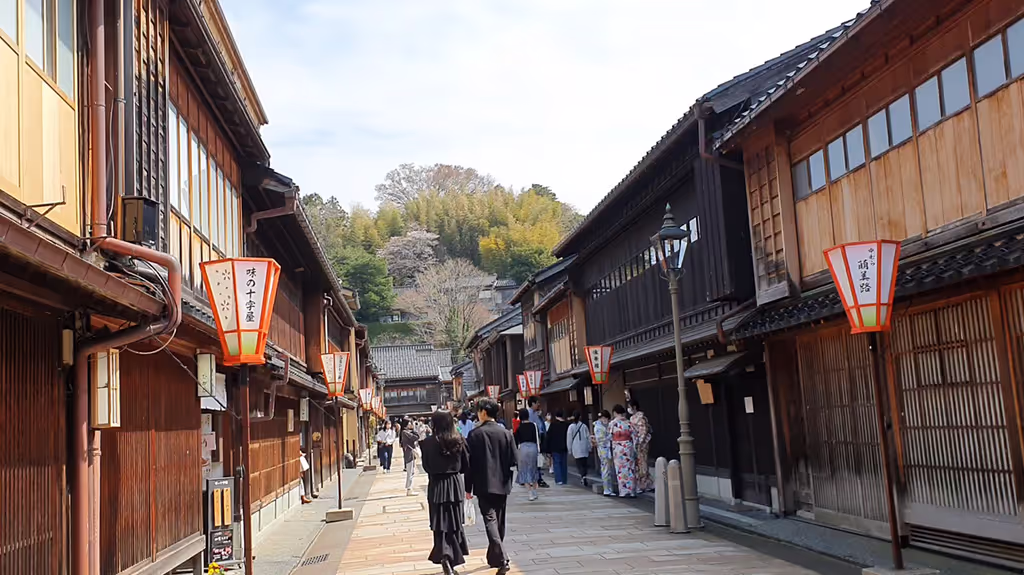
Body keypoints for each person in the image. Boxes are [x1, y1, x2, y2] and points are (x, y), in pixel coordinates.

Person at [465, 398, 517, 575]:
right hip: (502, 483)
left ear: (484, 413)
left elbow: (469, 465)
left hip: (483, 483)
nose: (477, 415)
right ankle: (494, 557)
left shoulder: (474, 435)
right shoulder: (506, 434)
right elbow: (514, 460)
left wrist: (468, 488)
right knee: (499, 522)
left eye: (478, 411)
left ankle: (502, 559)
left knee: (490, 520)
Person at [420, 410, 471, 575]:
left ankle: (444, 556)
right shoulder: (459, 440)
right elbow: (465, 465)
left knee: (439, 524)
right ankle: (451, 559)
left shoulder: (427, 443)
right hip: (454, 484)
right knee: (454, 523)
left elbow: (426, 467)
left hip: (436, 484)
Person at [513, 407, 541, 501]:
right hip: (533, 448)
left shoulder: (519, 427)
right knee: (533, 468)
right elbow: (538, 438)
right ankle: (535, 491)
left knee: (524, 470)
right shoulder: (534, 425)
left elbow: (516, 440)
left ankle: (529, 493)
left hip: (523, 448)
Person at [609, 404, 637, 497]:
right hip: (628, 447)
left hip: (618, 448)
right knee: (630, 469)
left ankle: (624, 491)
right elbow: (635, 436)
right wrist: (634, 447)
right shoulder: (629, 423)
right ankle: (632, 491)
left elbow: (609, 436)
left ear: (615, 413)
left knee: (621, 469)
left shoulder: (613, 423)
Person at [629, 399, 653, 492]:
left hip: (641, 443)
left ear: (634, 407)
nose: (629, 409)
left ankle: (644, 484)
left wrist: (639, 442)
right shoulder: (633, 418)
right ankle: (644, 483)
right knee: (638, 464)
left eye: (630, 407)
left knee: (642, 463)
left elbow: (643, 431)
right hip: (635, 442)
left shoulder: (641, 417)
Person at [526, 396, 550, 488]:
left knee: (537, 459)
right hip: (534, 438)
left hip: (539, 437)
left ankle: (536, 477)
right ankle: (536, 478)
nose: (538, 404)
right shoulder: (530, 413)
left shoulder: (536, 413)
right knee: (535, 459)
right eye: (537, 403)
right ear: (532, 403)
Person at [592, 410, 615, 496]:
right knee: (606, 469)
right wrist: (610, 437)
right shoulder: (598, 427)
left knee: (608, 470)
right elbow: (600, 440)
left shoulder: (603, 426)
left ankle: (609, 488)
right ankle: (606, 489)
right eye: (603, 418)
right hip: (604, 450)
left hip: (607, 450)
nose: (604, 420)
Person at [567, 411, 592, 487]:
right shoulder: (584, 426)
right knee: (584, 463)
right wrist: (589, 446)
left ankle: (582, 476)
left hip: (576, 447)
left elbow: (569, 439)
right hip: (584, 446)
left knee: (579, 463)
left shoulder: (571, 427)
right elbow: (588, 437)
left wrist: (569, 449)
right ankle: (584, 476)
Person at [546, 410, 569, 485]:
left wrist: (548, 448)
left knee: (556, 463)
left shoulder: (553, 425)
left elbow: (549, 436)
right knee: (564, 463)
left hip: (555, 447)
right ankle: (564, 479)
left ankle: (559, 480)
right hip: (564, 446)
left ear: (556, 416)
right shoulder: (566, 424)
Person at [400, 418, 422, 496]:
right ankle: (409, 488)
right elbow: (415, 437)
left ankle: (409, 488)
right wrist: (414, 429)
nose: (410, 424)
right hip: (408, 453)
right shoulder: (404, 432)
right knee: (410, 471)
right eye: (409, 423)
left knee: (412, 471)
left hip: (410, 453)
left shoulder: (406, 432)